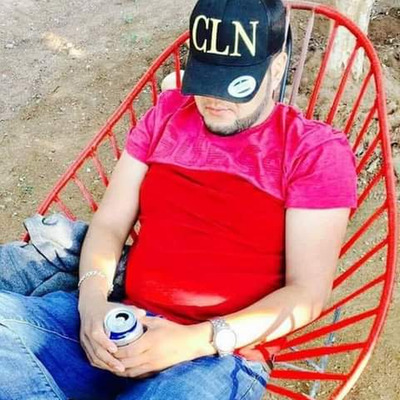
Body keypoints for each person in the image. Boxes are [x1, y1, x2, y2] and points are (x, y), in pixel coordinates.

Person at [0, 0, 358, 399]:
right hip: (124, 318)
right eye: (207, 79)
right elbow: (111, 223)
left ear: (275, 70)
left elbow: (306, 293)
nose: (214, 100)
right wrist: (92, 303)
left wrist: (194, 340)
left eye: (233, 85)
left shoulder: (314, 151)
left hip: (219, 354)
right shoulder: (167, 115)